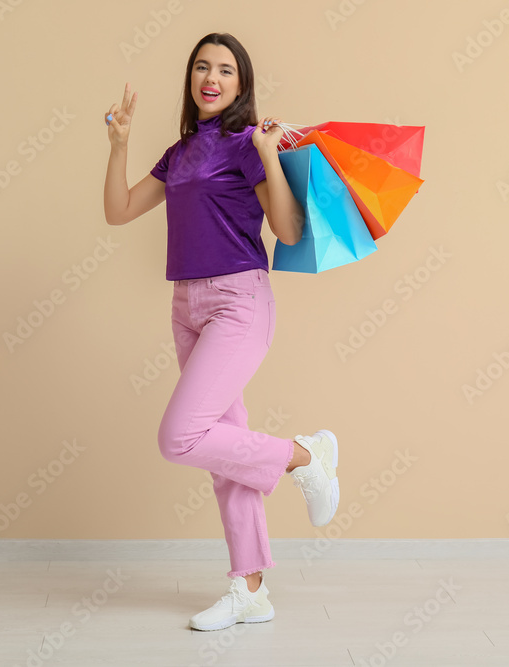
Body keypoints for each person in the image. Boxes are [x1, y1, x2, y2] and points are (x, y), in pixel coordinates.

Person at [102, 32, 340, 632]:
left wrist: (264, 153)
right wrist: (119, 144)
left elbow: (286, 231)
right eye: (202, 67)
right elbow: (120, 210)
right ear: (191, 79)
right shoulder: (179, 152)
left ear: (241, 84)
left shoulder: (242, 145)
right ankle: (250, 590)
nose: (211, 78)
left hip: (239, 301)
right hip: (186, 305)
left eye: (225, 70)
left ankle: (303, 456)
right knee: (222, 450)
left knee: (179, 436)